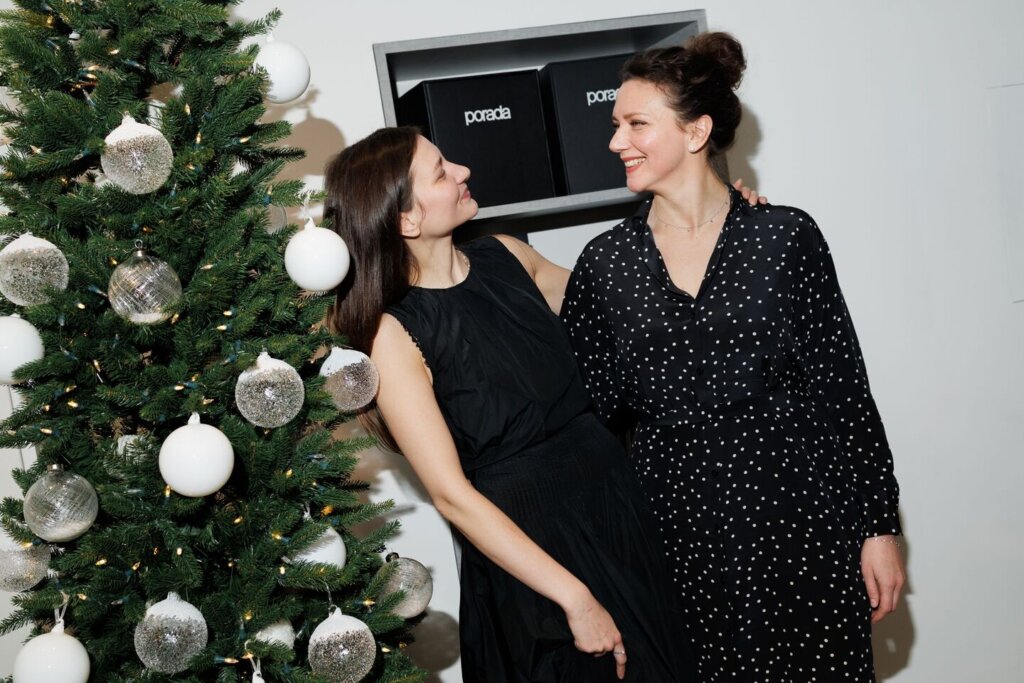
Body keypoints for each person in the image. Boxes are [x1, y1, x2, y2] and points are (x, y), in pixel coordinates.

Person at [561, 31, 907, 682]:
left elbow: (842, 392)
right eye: (615, 124)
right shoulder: (605, 265)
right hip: (677, 540)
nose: (615, 142)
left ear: (697, 131)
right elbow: (587, 422)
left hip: (802, 521)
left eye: (636, 123)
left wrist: (877, 526)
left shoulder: (785, 236)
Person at [323, 126, 700, 682]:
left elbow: (628, 298)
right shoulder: (393, 334)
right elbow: (452, 497)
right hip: (535, 561)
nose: (463, 172)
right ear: (406, 221)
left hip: (618, 512)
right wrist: (575, 598)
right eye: (441, 172)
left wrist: (712, 219)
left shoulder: (508, 255)